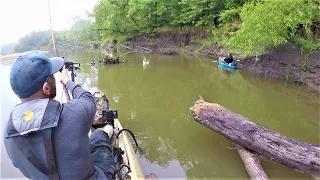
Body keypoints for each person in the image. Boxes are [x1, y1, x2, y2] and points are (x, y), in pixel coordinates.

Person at [4, 51, 116, 180]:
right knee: (98, 137)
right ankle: (108, 130)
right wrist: (67, 81)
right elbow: (87, 98)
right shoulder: (75, 113)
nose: (54, 79)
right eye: (51, 75)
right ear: (46, 88)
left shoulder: (8, 132)